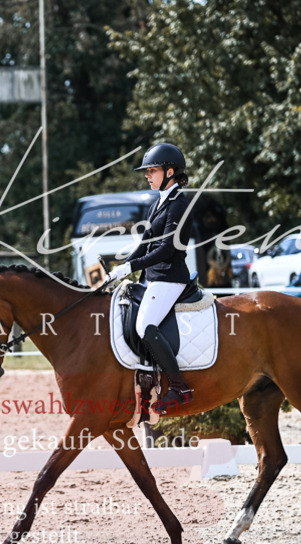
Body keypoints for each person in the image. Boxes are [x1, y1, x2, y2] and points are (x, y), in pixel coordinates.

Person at [106, 143, 195, 413]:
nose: (147, 175)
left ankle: (179, 387)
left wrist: (131, 265)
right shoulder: (158, 202)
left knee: (145, 325)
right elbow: (145, 244)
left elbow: (167, 249)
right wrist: (121, 266)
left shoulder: (180, 204)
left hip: (170, 277)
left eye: (152, 170)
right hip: (153, 276)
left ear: (170, 172)